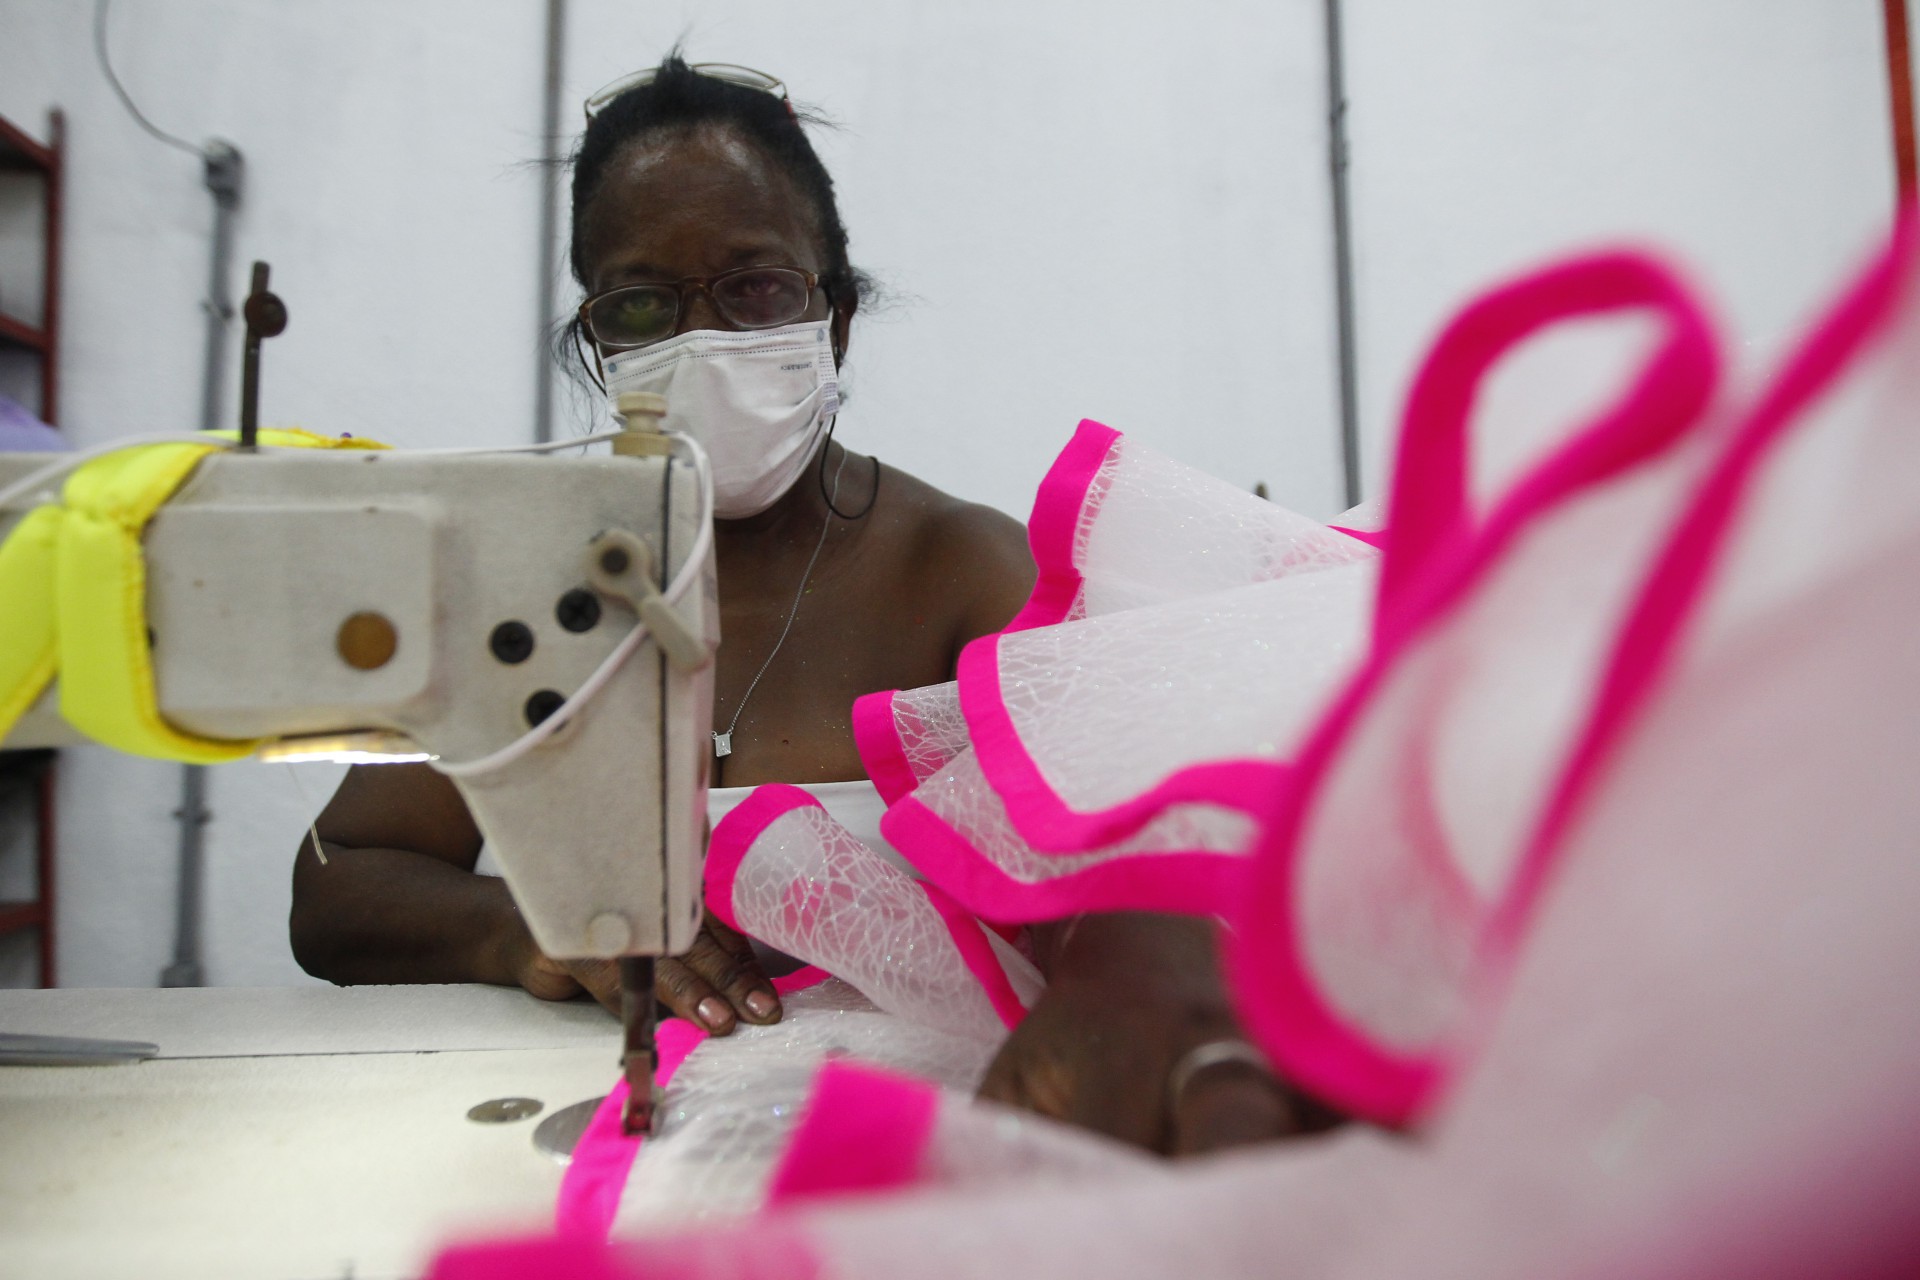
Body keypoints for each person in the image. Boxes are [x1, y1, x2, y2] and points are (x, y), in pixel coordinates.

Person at [291, 55, 1313, 1156]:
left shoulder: (958, 573)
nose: (704, 341)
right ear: (598, 341)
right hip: (556, 1137)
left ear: (837, 317)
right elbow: (338, 885)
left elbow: (1123, 872)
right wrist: (528, 927)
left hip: (885, 1138)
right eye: (642, 305)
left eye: (757, 288)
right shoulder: (529, 586)